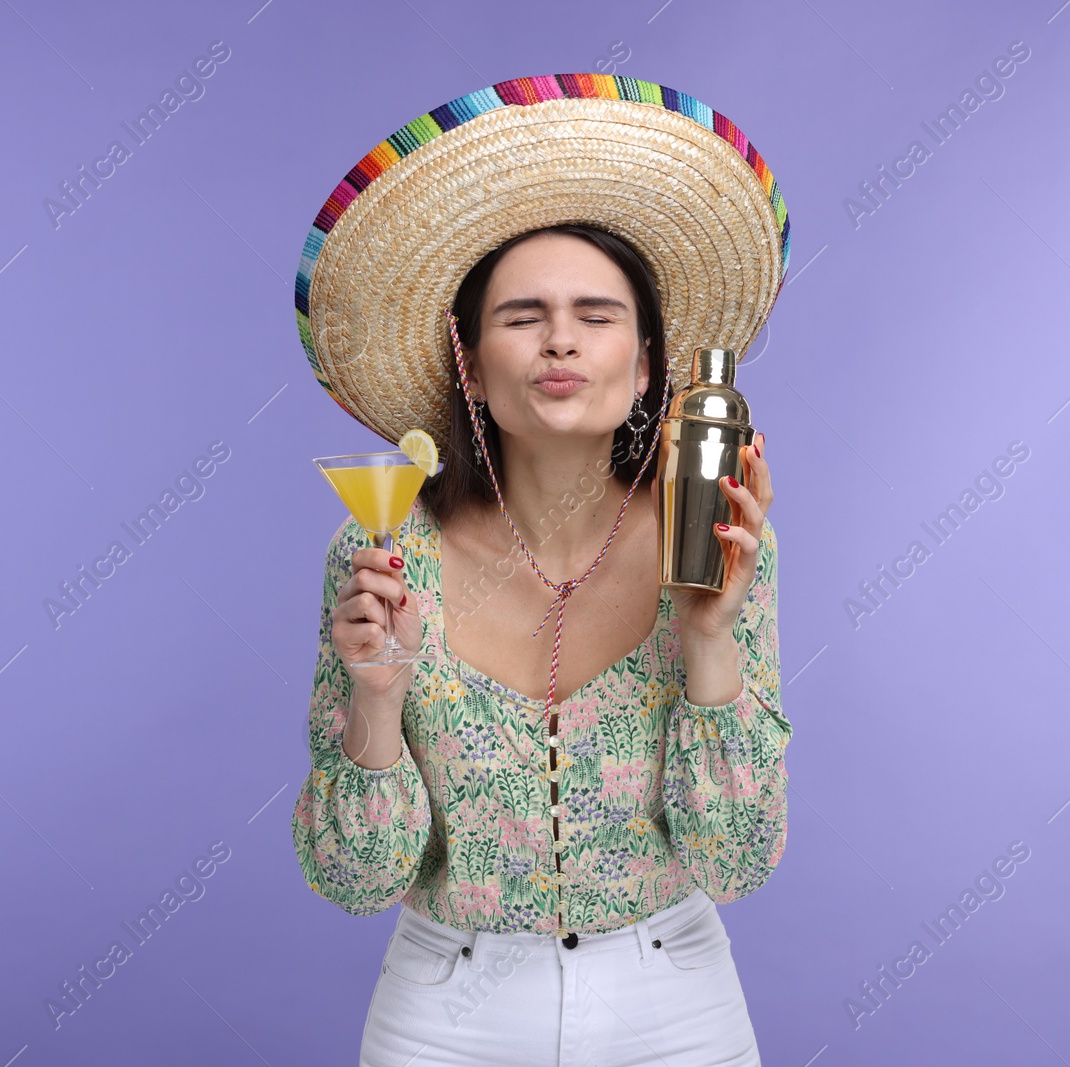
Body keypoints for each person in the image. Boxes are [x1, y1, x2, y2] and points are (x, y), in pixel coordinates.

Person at [290, 73, 794, 1067]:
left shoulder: (722, 541)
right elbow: (354, 878)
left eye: (595, 314)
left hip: (676, 1007)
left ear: (649, 363)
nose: (561, 337)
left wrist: (706, 635)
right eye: (522, 315)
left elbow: (734, 860)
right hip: (445, 1015)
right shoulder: (383, 552)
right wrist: (377, 699)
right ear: (471, 364)